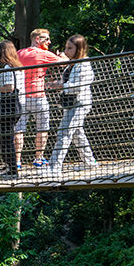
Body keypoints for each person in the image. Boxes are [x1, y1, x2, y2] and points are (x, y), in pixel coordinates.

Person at [47, 34, 97, 174]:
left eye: (70, 48)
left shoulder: (84, 64)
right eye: (66, 48)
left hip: (80, 103)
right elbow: (68, 83)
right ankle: (90, 162)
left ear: (79, 49)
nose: (66, 51)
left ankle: (54, 167)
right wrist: (57, 84)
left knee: (64, 133)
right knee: (77, 134)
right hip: (71, 103)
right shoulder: (72, 64)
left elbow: (79, 86)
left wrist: (61, 86)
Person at [17, 29, 68, 167]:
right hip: (38, 96)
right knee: (42, 128)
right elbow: (66, 62)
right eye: (46, 39)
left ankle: (17, 161)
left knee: (19, 130)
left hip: (20, 97)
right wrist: (62, 55)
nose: (49, 42)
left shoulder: (19, 53)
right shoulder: (44, 54)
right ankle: (38, 158)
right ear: (37, 39)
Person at [0, 41, 25, 176]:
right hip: (14, 107)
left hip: (8, 108)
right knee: (5, 138)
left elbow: (10, 87)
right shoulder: (18, 68)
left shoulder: (8, 68)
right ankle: (9, 165)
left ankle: (12, 169)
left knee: (6, 139)